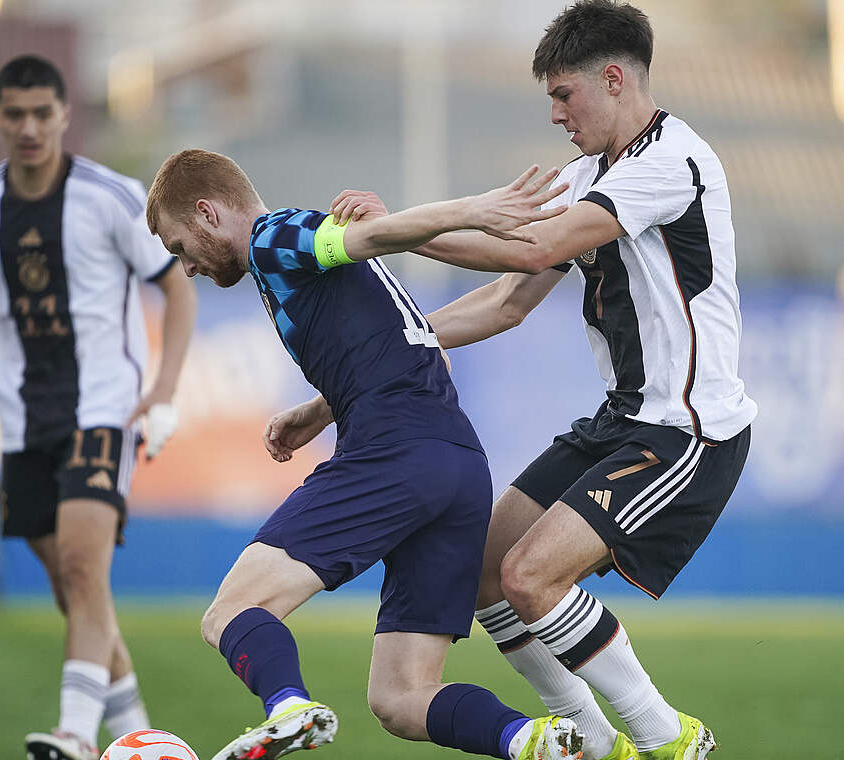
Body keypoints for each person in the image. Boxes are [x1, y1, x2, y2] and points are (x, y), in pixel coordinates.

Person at [328, 3, 756, 759]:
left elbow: (533, 250)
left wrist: (394, 229)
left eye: (564, 95)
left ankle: (667, 738)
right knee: (485, 572)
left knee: (531, 577)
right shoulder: (588, 176)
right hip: (623, 418)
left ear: (614, 79)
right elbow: (505, 303)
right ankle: (591, 743)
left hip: (688, 428)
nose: (555, 113)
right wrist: (375, 357)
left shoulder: (670, 160)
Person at [145, 148, 584, 760]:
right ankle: (535, 741)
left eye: (178, 246)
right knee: (401, 697)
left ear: (207, 212)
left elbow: (370, 236)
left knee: (231, 613)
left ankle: (288, 709)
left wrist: (476, 210)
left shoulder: (272, 239)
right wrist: (319, 408)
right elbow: (416, 345)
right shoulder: (298, 272)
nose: (185, 267)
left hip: (392, 452)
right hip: (457, 462)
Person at [0, 54, 198, 760]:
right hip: (24, 424)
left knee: (86, 571)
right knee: (73, 591)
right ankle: (139, 740)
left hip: (104, 412)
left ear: (64, 116)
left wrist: (165, 389)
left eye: (42, 113)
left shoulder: (110, 196)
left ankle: (74, 736)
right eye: (16, 114)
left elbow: (177, 289)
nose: (29, 127)